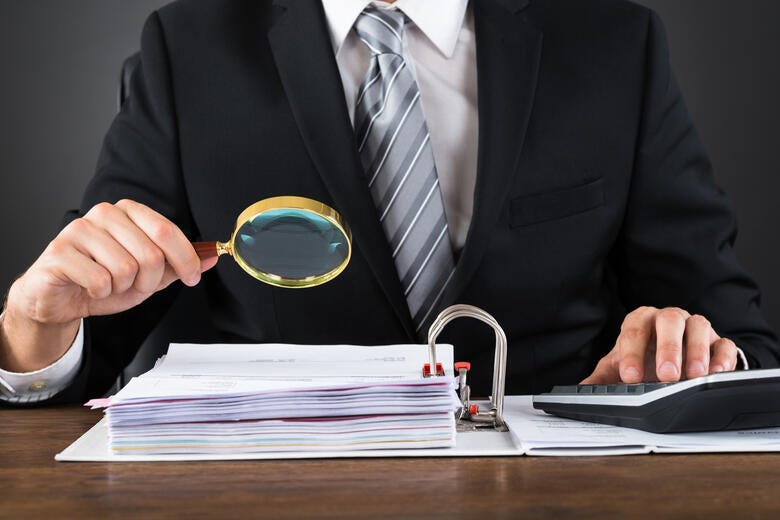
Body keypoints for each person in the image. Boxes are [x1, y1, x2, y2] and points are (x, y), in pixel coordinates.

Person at [1, 0, 778, 405]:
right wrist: (34, 332)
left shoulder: (616, 44)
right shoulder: (188, 49)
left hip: (551, 498)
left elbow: (740, 340)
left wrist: (698, 352)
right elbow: (82, 353)